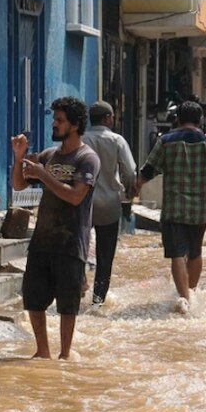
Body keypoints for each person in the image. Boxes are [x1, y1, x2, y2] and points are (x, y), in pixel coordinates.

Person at [12, 96, 100, 359]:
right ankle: (42, 352)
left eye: (60, 120)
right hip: (42, 241)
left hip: (71, 242)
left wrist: (43, 175)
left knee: (67, 305)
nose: (54, 124)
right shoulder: (48, 156)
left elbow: (75, 196)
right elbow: (18, 186)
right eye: (55, 119)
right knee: (34, 299)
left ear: (75, 125)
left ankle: (64, 355)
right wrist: (18, 159)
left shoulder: (88, 158)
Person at [136, 101, 206, 315]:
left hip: (173, 208)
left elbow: (148, 170)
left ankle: (183, 298)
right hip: (199, 209)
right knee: (195, 252)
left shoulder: (165, 142)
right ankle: (190, 294)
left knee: (176, 254)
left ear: (178, 119)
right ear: (200, 120)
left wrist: (133, 190)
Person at [81, 101, 137, 304]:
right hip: (110, 205)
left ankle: (79, 284)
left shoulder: (81, 139)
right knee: (105, 256)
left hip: (82, 203)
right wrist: (130, 193)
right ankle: (98, 300)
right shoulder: (117, 140)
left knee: (79, 247)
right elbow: (130, 171)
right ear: (107, 118)